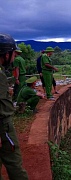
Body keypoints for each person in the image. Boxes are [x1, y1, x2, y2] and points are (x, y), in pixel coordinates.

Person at [0, 33, 28, 179]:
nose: (13, 58)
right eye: (12, 53)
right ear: (6, 54)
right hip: (3, 126)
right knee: (14, 163)